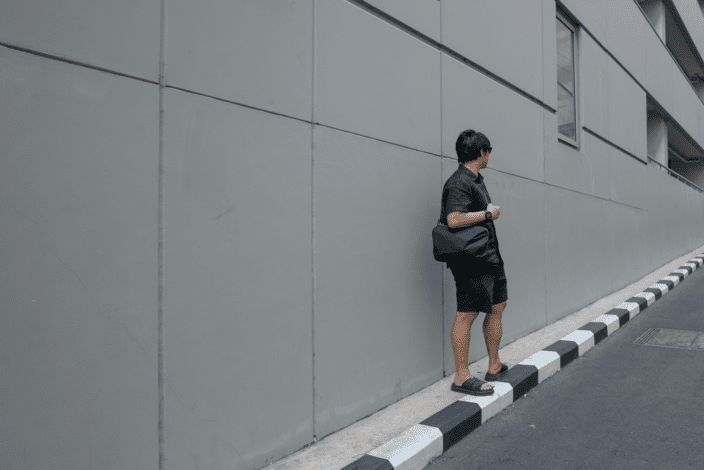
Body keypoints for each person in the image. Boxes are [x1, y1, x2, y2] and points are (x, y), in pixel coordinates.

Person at [441, 129, 508, 396]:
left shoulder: (476, 180)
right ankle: (461, 377)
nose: (489, 156)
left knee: (498, 305)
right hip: (471, 260)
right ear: (481, 152)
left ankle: (494, 365)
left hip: (489, 256)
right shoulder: (459, 182)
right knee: (467, 313)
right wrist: (487, 214)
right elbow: (453, 219)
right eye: (488, 151)